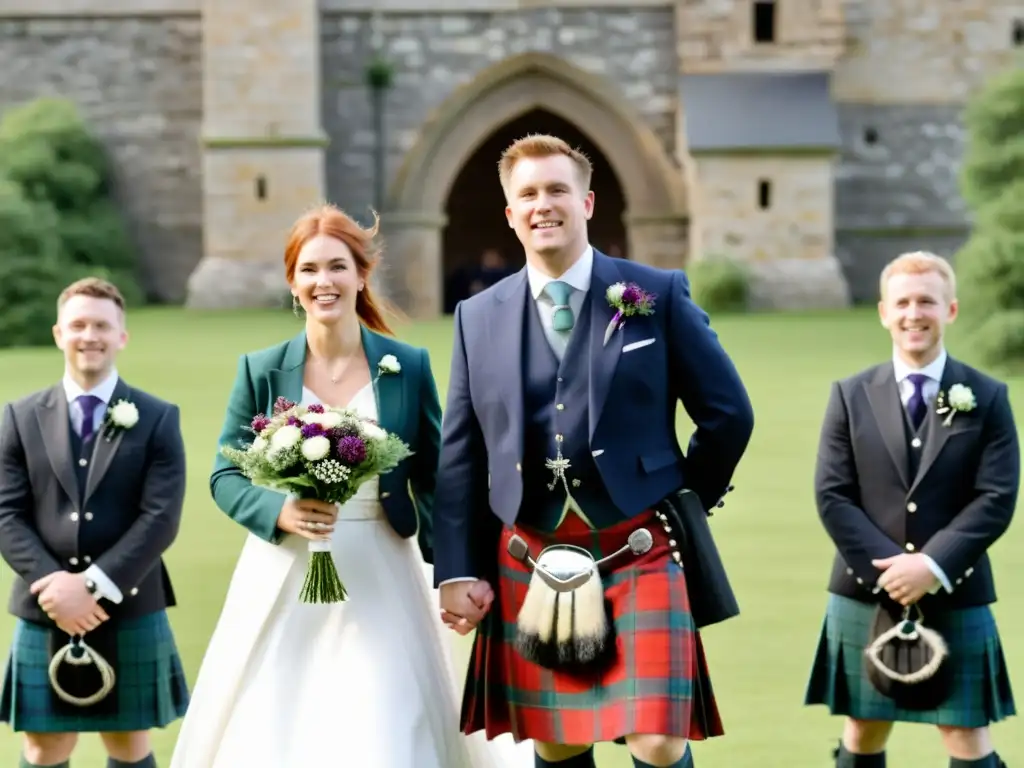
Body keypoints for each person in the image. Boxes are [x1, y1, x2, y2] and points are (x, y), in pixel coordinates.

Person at [170, 204, 533, 768]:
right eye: (310, 269)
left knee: (387, 722)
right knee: (278, 724)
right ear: (293, 282)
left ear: (361, 275)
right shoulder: (261, 369)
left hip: (383, 569)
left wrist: (456, 571)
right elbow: (224, 474)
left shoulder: (405, 365)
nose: (324, 282)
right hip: (284, 570)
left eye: (337, 267)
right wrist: (280, 511)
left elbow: (440, 478)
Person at [433, 133, 755, 768]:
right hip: (530, 551)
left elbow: (728, 413)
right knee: (558, 739)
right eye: (527, 194)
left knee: (658, 740)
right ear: (509, 212)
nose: (542, 204)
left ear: (587, 202)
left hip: (638, 546)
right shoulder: (479, 314)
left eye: (557, 189)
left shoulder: (655, 294)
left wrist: (684, 497)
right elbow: (461, 453)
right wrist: (458, 568)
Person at [804, 251, 1018, 768]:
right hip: (866, 588)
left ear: (951, 310)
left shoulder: (987, 397)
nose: (913, 313)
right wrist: (893, 572)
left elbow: (996, 498)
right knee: (864, 728)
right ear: (883, 311)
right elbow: (832, 494)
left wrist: (931, 565)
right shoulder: (850, 395)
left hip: (955, 587)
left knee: (966, 734)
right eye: (902, 302)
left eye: (927, 301)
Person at [0, 277, 189, 768]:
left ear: (121, 336)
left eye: (102, 325)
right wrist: (54, 586)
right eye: (79, 324)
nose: (90, 335)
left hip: (127, 603)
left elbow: (161, 518)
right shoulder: (18, 417)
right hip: (46, 606)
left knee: (128, 742)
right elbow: (6, 513)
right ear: (59, 333)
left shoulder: (157, 417)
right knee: (44, 747)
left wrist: (95, 586)